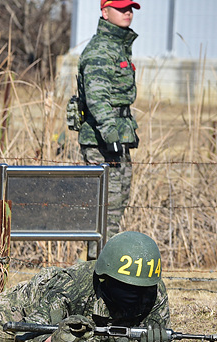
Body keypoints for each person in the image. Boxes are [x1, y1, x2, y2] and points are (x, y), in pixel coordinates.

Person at [0, 231, 176, 342]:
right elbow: (28, 334)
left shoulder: (154, 292)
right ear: (104, 278)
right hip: (28, 306)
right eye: (123, 285)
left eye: (139, 288)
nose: (133, 294)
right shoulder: (71, 287)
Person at [78, 0, 140, 256]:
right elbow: (97, 97)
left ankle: (102, 267)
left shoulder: (118, 46)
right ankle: (94, 269)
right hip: (104, 142)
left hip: (118, 137)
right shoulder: (102, 49)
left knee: (115, 207)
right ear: (105, 12)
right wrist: (110, 133)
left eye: (130, 9)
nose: (127, 13)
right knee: (104, 210)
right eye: (121, 8)